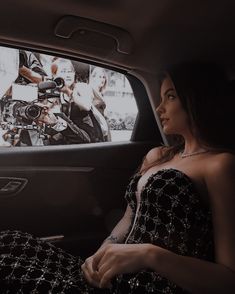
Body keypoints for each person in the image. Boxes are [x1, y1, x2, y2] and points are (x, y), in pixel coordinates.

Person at [1, 62, 235, 293]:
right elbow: (130, 216)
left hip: (153, 284)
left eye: (170, 97)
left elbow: (228, 279)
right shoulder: (159, 155)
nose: (159, 108)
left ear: (198, 99)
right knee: (11, 242)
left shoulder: (219, 165)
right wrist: (100, 255)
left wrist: (149, 254)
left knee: (11, 270)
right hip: (113, 274)